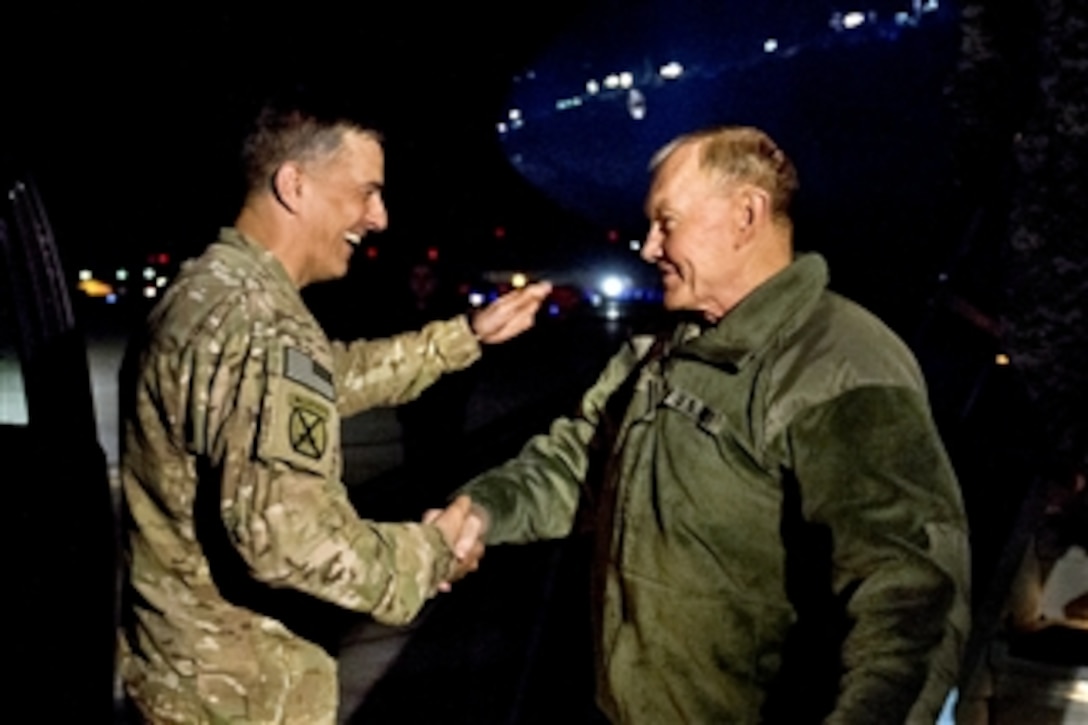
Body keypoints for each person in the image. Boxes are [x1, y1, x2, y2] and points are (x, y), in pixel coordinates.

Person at [441, 126, 971, 723]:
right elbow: (581, 464)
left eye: (667, 222)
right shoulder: (664, 351)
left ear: (747, 215)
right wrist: (484, 510)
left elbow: (910, 594)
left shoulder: (839, 365)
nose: (647, 247)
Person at [115, 101, 550, 724]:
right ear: (294, 185)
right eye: (366, 193)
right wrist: (430, 554)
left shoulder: (208, 294)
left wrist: (465, 337)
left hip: (182, 680)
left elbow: (320, 382)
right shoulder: (261, 326)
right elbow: (289, 540)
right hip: (241, 702)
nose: (379, 217)